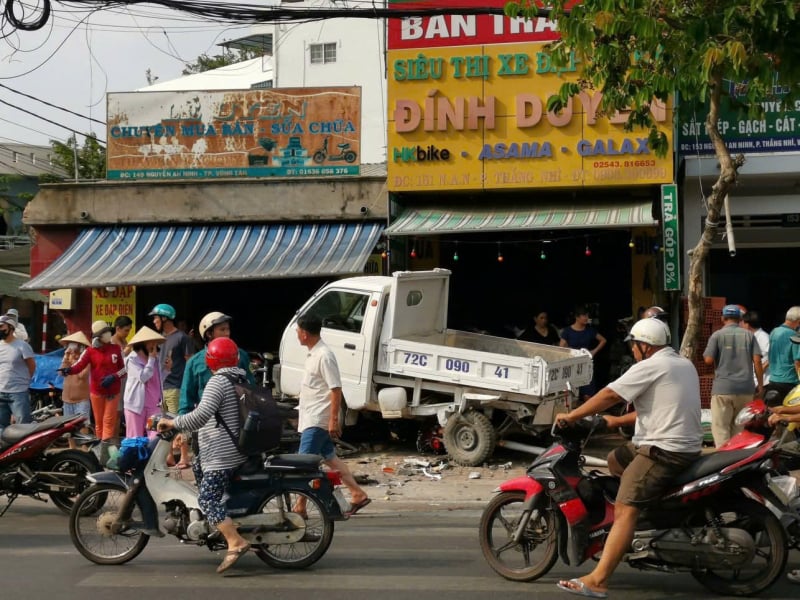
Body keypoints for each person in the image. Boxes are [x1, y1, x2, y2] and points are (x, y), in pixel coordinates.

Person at [554, 318, 702, 598]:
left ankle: (598, 579)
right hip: (678, 444)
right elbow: (663, 407)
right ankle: (645, 514)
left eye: (634, 345)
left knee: (624, 508)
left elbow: (609, 394)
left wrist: (572, 416)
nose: (632, 350)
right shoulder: (682, 363)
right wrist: (615, 422)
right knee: (615, 459)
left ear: (645, 345)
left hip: (663, 451)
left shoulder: (652, 365)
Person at [157, 337, 251, 574]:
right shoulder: (239, 376)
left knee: (207, 498)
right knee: (197, 467)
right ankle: (217, 521)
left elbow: (200, 416)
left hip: (222, 455)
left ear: (211, 360)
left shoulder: (218, 381)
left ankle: (235, 540)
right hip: (232, 451)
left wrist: (173, 422)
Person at [294, 313, 370, 517]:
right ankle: (357, 493)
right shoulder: (313, 354)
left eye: (298, 331)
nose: (296, 334)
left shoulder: (324, 356)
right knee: (332, 460)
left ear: (304, 333)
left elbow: (335, 388)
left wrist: (333, 420)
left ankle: (300, 506)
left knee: (303, 465)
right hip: (311, 417)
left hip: (317, 420)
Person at [179, 312, 255, 470]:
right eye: (222, 329)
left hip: (236, 427)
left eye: (228, 329)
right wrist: (183, 431)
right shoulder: (195, 362)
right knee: (206, 473)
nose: (227, 333)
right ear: (208, 333)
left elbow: (251, 388)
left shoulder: (240, 356)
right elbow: (186, 398)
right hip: (207, 430)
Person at [60, 320, 125, 465]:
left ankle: (107, 456)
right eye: (105, 332)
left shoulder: (116, 349)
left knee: (108, 422)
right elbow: (78, 366)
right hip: (96, 392)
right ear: (99, 336)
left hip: (113, 392)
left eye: (108, 331)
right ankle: (102, 454)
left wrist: (114, 376)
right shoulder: (90, 351)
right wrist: (68, 370)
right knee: (99, 424)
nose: (109, 334)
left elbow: (124, 369)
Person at [703, 304, 763, 447]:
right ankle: (738, 459)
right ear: (740, 319)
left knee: (721, 427)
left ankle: (724, 461)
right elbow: (757, 361)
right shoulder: (749, 335)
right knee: (739, 427)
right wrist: (760, 386)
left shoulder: (717, 335)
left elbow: (708, 360)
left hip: (723, 389)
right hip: (746, 389)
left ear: (723, 318)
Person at [150, 303, 193, 467]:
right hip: (161, 388)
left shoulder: (182, 338)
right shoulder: (159, 339)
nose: (154, 321)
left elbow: (190, 362)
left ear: (164, 318)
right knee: (163, 424)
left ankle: (184, 457)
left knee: (177, 422)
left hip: (176, 386)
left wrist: (188, 387)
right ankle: (167, 457)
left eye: (155, 317)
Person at [123, 326, 165, 439]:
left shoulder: (155, 359)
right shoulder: (132, 359)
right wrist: (151, 359)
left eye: (156, 344)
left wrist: (167, 369)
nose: (154, 347)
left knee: (155, 437)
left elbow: (156, 380)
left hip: (154, 406)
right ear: (143, 344)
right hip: (136, 406)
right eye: (151, 344)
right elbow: (143, 377)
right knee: (135, 439)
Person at [560, 306, 607, 403]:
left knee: (588, 393)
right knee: (572, 393)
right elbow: (561, 348)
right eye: (584, 315)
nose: (586, 318)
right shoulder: (567, 331)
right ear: (577, 317)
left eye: (587, 316)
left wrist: (593, 351)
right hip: (572, 365)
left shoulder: (590, 330)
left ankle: (588, 415)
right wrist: (571, 351)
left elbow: (603, 340)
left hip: (586, 364)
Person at [0, 316, 35, 436]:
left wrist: (25, 383)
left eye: (1, 326)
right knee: (1, 426)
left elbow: (31, 366)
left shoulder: (22, 346)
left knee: (23, 426)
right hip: (1, 391)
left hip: (18, 392)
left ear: (10, 327)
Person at [58, 330, 91, 449]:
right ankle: (72, 449)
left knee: (82, 426)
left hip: (81, 400)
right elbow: (61, 373)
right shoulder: (68, 360)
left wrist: (73, 362)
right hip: (67, 400)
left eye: (76, 350)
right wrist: (66, 358)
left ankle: (84, 450)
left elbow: (82, 376)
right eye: (71, 350)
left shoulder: (86, 361)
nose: (73, 353)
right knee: (68, 427)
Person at [764, 306, 800, 406]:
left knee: (773, 414)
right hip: (789, 382)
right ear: (798, 321)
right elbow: (797, 362)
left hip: (773, 380)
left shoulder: (774, 332)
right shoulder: (795, 336)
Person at [743, 310, 770, 388]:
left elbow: (774, 355)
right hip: (752, 380)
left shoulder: (764, 337)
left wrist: (762, 367)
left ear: (748, 324)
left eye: (743, 322)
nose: (741, 325)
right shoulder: (750, 336)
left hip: (763, 381)